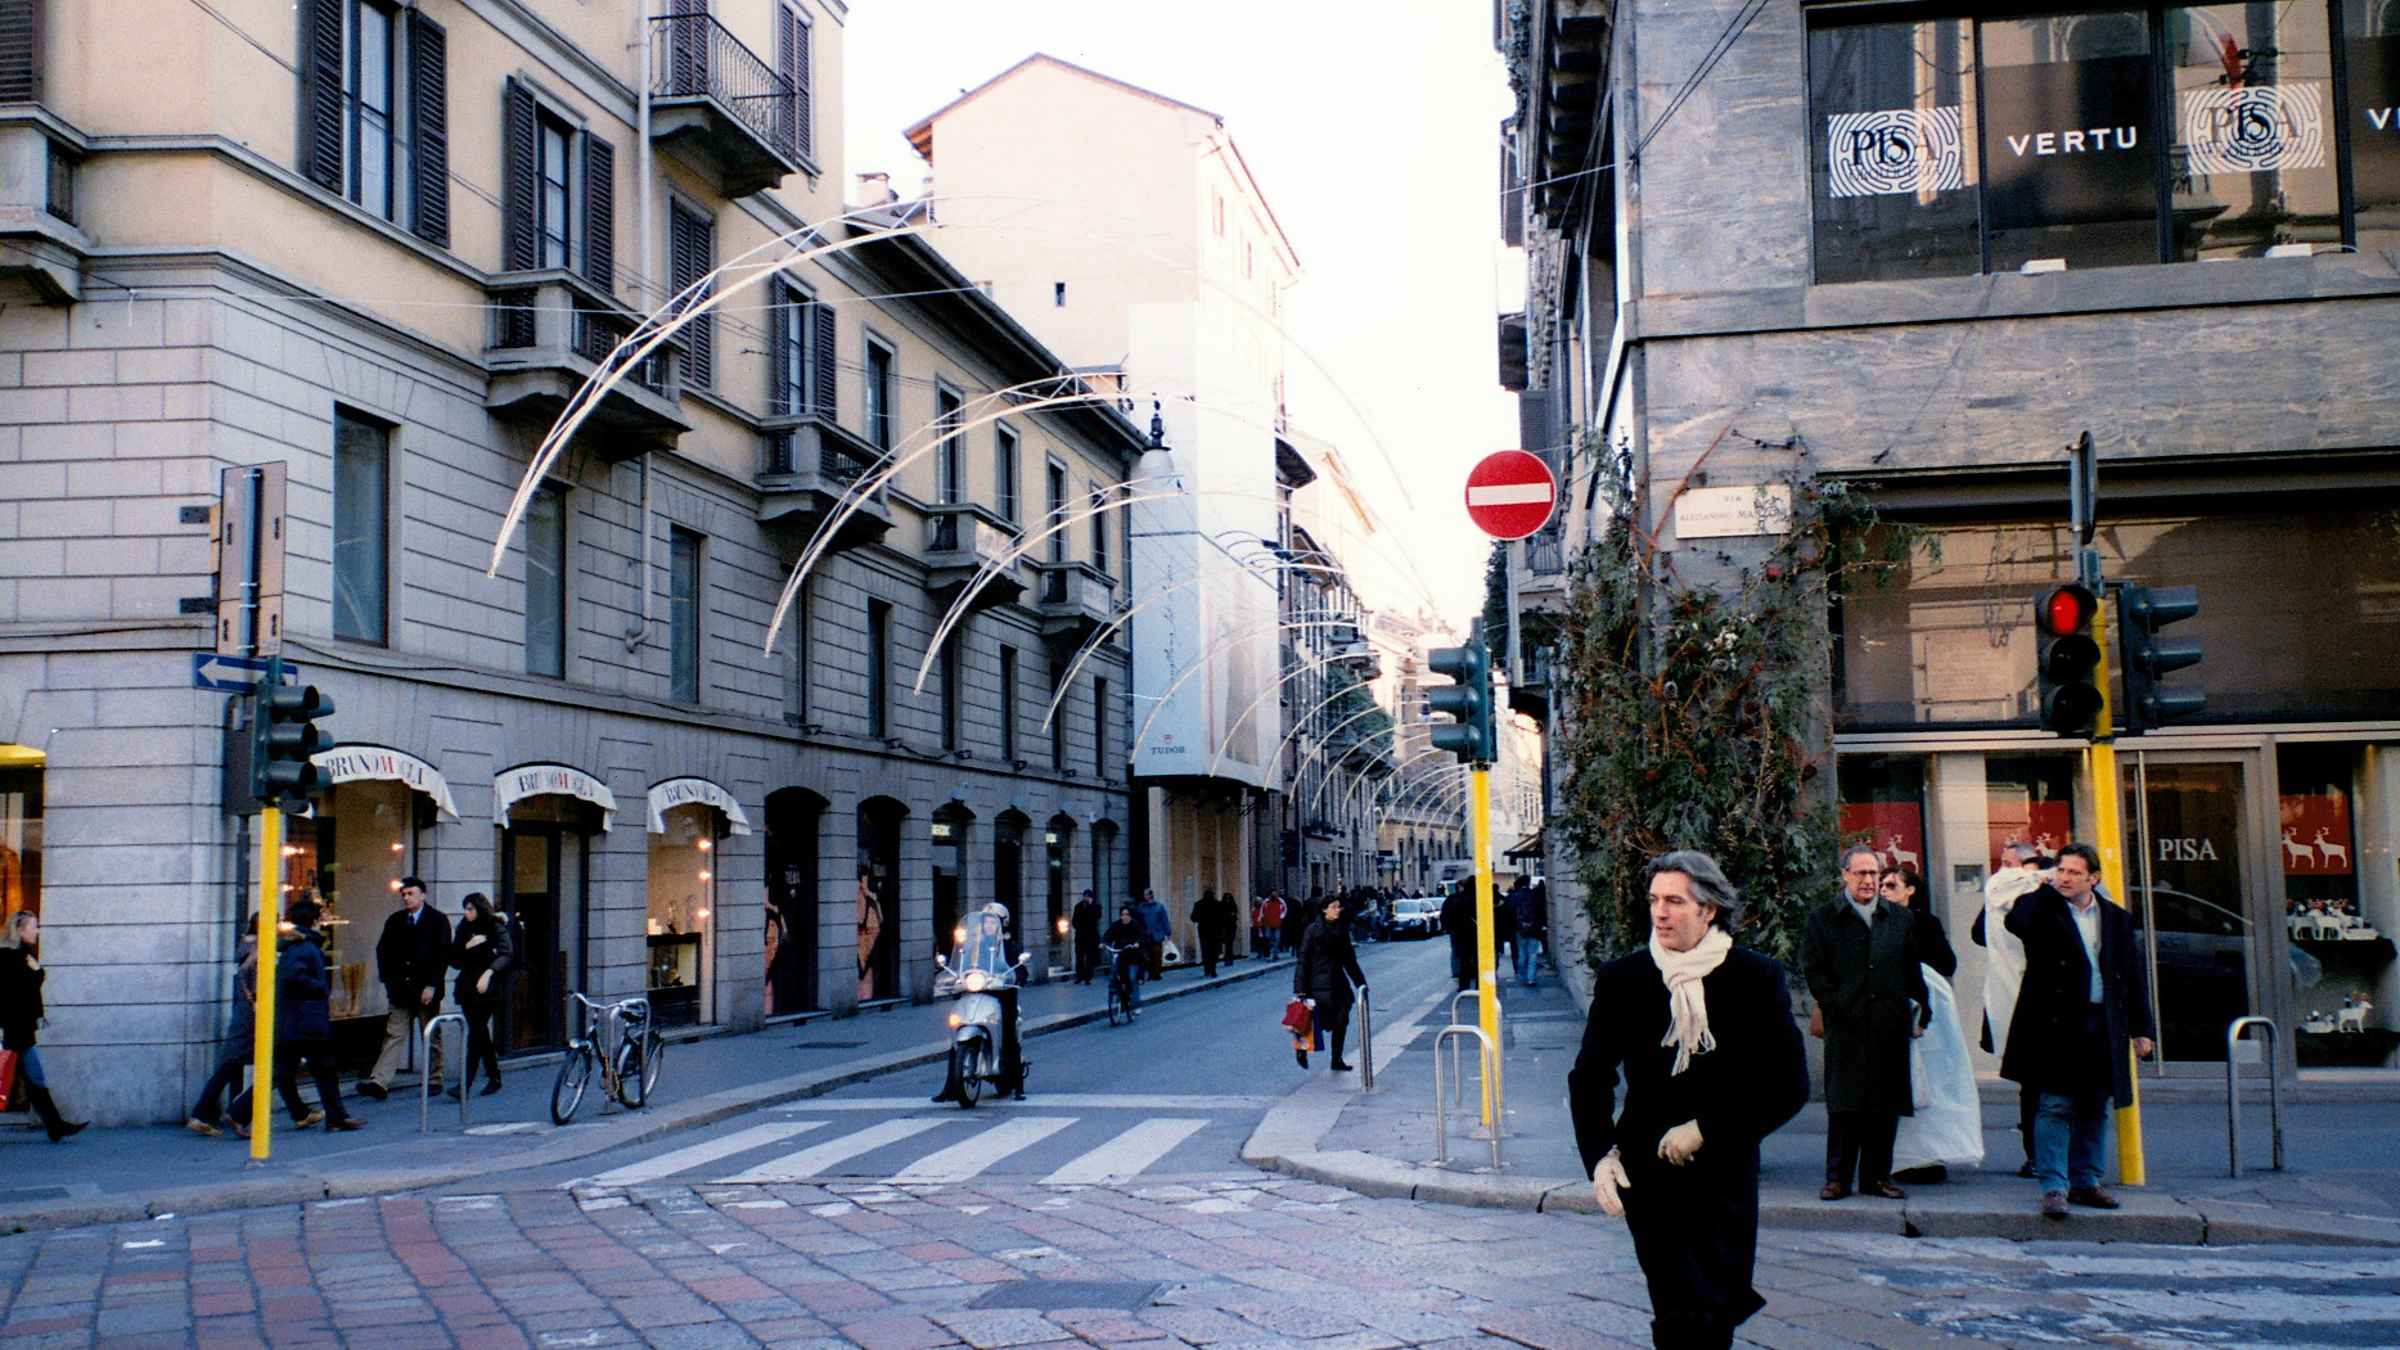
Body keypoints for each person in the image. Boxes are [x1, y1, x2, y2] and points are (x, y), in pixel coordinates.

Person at [1569, 851, 1808, 1350]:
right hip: (1647, 1169)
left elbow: (1788, 1084)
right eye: (1654, 900)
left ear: (1709, 910)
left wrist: (1706, 1128)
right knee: (1679, 1308)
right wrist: (1599, 1157)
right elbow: (1589, 1076)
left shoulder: (1756, 977)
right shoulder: (1625, 977)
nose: (1660, 912)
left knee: (1718, 1307)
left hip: (1725, 1166)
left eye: (1675, 901)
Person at [2002, 843, 2153, 1220]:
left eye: (2073, 873)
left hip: (2102, 1022)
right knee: (2054, 1104)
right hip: (2055, 1024)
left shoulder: (2115, 919)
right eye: (2060, 870)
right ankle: (2054, 1186)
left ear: (2093, 878)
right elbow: (2016, 923)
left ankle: (2086, 1180)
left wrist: (2141, 1028)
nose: (2064, 878)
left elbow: (2132, 977)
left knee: (2094, 1105)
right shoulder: (2040, 909)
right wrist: (2044, 887)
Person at [1800, 845, 1927, 1201]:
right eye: (1861, 873)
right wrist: (1834, 1003)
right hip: (1847, 1022)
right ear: (1845, 875)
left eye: (1874, 874)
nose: (1869, 880)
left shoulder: (1899, 918)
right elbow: (1813, 967)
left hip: (1890, 1021)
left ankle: (1877, 1177)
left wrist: (1920, 1009)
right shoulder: (1823, 918)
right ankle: (1838, 1177)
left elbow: (1911, 967)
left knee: (1884, 1105)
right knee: (1845, 1104)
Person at [1884, 867, 1983, 1184]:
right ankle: (1896, 1157)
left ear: (1909, 890)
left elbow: (1947, 962)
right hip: (1892, 1007)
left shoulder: (1924, 923)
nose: (1883, 890)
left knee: (1932, 1080)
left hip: (1926, 1012)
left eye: (1891, 885)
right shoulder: (1873, 921)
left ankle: (1928, 1155)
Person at [1976, 842, 2043, 1176]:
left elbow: (1978, 934)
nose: (2004, 870)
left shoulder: (2025, 891)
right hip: (2022, 997)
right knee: (2036, 1084)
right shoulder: (2032, 889)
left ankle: (2037, 1153)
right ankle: (2039, 1153)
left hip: (2020, 996)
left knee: (2032, 1085)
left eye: (2010, 864)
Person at [275, 899, 364, 1131]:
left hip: (297, 1019)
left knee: (287, 1071)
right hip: (307, 1020)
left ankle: (332, 1116)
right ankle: (335, 1117)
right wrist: (320, 988)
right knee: (321, 1069)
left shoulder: (297, 946)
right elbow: (295, 977)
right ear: (314, 922)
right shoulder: (304, 947)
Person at [360, 877, 452, 1101]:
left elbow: (442, 955)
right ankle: (380, 1081)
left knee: (430, 1034)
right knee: (394, 1034)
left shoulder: (438, 920)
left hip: (426, 990)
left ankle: (434, 1078)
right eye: (404, 894)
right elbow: (383, 951)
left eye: (411, 893)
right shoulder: (395, 920)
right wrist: (389, 981)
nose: (406, 898)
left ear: (423, 895)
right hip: (400, 990)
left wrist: (432, 984)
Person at [1, 911, 85, 1141]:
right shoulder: (11, 957)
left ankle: (56, 1126)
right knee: (28, 1080)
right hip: (14, 1030)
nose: (37, 931)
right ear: (20, 931)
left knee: (33, 1081)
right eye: (33, 926)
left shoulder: (22, 955)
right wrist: (38, 972)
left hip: (19, 1029)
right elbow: (22, 990)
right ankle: (56, 1126)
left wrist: (37, 972)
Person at [934, 904, 1027, 1102]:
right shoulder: (974, 945)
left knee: (1009, 1034)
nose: (989, 926)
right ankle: (950, 1086)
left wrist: (1015, 976)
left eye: (994, 922)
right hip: (975, 991)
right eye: (986, 922)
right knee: (955, 1037)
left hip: (1001, 994)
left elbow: (1020, 969)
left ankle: (1018, 1085)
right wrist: (955, 977)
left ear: (1003, 923)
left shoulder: (1011, 945)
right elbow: (962, 964)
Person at [1292, 895, 1368, 1071]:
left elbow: (1350, 960)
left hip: (1338, 983)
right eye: (1334, 907)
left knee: (1341, 1020)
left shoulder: (1342, 931)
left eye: (1339, 907)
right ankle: (1302, 1050)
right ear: (1324, 909)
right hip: (1316, 984)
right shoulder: (1312, 931)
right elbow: (1303, 960)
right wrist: (1300, 988)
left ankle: (1336, 1058)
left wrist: (1360, 984)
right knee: (1311, 1021)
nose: (1338, 910)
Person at [449, 893, 514, 1098]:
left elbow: (507, 954)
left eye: (470, 909)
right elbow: (454, 960)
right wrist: (467, 946)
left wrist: (489, 972)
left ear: (479, 909)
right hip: (468, 987)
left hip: (489, 988)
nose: (467, 913)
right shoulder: (463, 928)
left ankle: (465, 1084)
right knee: (480, 1032)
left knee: (476, 1033)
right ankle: (495, 1077)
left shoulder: (495, 926)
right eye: (465, 909)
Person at [1102, 903, 1145, 1017]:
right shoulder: (1117, 925)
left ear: (1130, 916)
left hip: (1133, 957)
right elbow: (1108, 934)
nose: (1124, 917)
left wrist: (1136, 944)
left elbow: (1140, 937)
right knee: (1113, 974)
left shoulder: (1135, 925)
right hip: (1120, 954)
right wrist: (1103, 942)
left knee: (1131, 978)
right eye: (1122, 914)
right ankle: (1115, 996)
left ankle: (1136, 1005)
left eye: (1127, 914)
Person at [1512, 877, 1549, 988]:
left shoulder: (1514, 896)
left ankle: (1522, 976)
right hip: (1534, 928)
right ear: (1528, 883)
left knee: (1521, 954)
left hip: (1519, 928)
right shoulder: (1535, 895)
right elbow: (1541, 910)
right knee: (1533, 954)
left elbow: (1509, 912)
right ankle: (1531, 978)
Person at [1441, 880, 1478, 992]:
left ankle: (1463, 985)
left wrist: (1448, 928)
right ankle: (1479, 984)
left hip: (1459, 933)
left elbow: (1444, 915)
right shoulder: (1476, 898)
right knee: (1477, 960)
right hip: (1475, 932)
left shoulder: (1453, 899)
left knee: (1463, 960)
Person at [1135, 889, 1172, 980]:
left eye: (1146, 894)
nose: (1145, 896)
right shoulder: (1141, 907)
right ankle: (1150, 972)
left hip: (1157, 934)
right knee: (1147, 956)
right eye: (1144, 894)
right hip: (1145, 934)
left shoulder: (1159, 907)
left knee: (1157, 954)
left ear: (1151, 895)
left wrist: (1168, 932)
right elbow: (1137, 921)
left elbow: (1164, 920)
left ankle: (1156, 973)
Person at [1071, 889, 1103, 984]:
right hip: (1080, 935)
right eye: (1085, 896)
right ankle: (1079, 976)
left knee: (1090, 957)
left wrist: (1090, 905)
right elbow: (1074, 920)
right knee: (1079, 956)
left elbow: (1097, 916)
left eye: (1088, 896)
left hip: (1091, 936)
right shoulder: (1078, 906)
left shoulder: (1096, 906)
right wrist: (1078, 927)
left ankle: (1088, 977)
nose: (1086, 898)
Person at [1257, 891, 1285, 958]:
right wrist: (1261, 919)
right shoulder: (1266, 901)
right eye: (1273, 894)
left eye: (1275, 894)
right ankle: (1271, 951)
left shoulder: (1280, 901)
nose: (1274, 895)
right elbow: (1262, 910)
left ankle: (1275, 953)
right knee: (1268, 937)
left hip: (1277, 923)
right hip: (1268, 923)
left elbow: (1284, 909)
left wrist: (1281, 917)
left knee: (1277, 938)